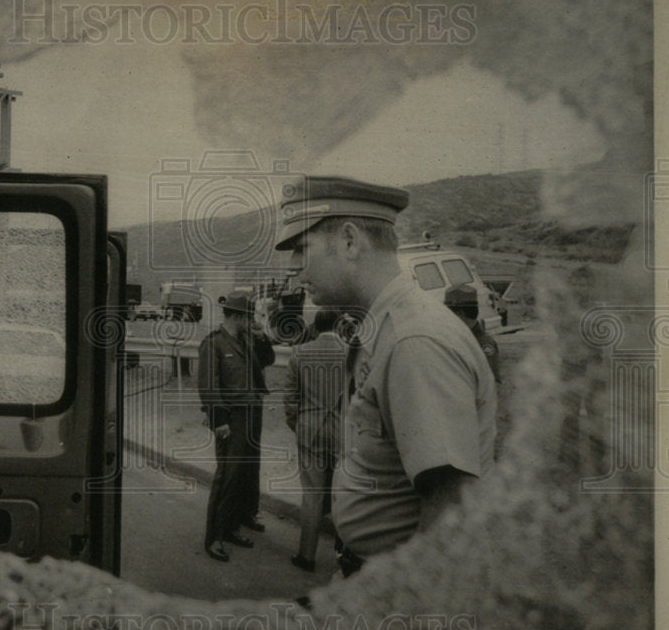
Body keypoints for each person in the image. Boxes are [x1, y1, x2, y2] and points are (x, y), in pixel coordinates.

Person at [274, 177, 497, 577]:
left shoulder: (414, 340)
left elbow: (448, 508)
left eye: (302, 249)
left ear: (349, 241)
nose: (293, 269)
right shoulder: (388, 328)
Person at [196, 290, 276, 562]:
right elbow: (208, 385)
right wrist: (219, 421)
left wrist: (262, 335)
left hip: (252, 414)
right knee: (228, 477)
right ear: (238, 316)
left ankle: (233, 526)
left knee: (245, 473)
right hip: (232, 418)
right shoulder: (214, 343)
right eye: (249, 316)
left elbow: (268, 360)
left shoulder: (246, 340)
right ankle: (214, 537)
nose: (251, 320)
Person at [283, 308, 347, 573]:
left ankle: (306, 556)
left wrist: (297, 423)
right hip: (341, 431)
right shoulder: (350, 352)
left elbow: (290, 396)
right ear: (339, 325)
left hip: (309, 429)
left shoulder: (300, 353)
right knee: (343, 494)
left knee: (312, 494)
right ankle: (345, 557)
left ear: (316, 327)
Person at [443, 284, 502, 383]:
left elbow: (492, 384)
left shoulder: (484, 343)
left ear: (459, 313)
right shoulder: (457, 338)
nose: (445, 319)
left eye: (448, 314)